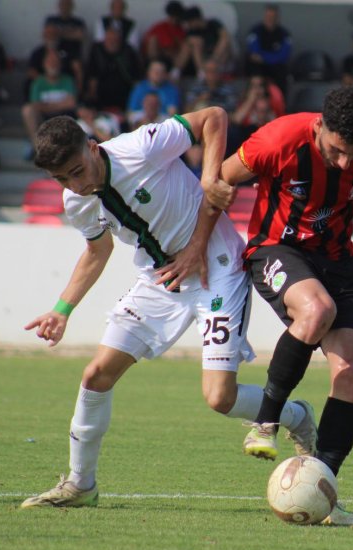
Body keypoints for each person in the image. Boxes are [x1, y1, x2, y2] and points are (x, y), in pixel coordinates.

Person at [19, 107, 317, 509]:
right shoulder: (77, 201)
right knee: (96, 375)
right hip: (161, 281)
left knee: (219, 398)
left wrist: (210, 180)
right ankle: (80, 484)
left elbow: (212, 118)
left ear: (92, 148)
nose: (75, 183)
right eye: (61, 179)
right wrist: (62, 309)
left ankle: (295, 416)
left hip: (218, 270)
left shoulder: (140, 147)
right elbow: (96, 250)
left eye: (77, 170)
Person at [189, 87, 353, 526]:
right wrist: (197, 246)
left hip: (340, 259)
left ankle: (324, 490)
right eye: (336, 151)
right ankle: (266, 421)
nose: (344, 163)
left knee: (351, 368)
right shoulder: (277, 142)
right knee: (316, 310)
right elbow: (218, 182)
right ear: (319, 126)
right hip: (275, 249)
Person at [22, 51, 77, 155]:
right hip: (43, 119)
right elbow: (35, 105)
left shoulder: (67, 80)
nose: (53, 64)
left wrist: (47, 106)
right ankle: (38, 148)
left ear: (60, 64)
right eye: (50, 62)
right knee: (27, 110)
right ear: (44, 64)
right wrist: (59, 105)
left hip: (64, 119)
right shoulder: (38, 82)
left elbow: (71, 103)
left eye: (55, 62)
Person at [81, 25, 141, 115]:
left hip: (124, 96)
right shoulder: (97, 50)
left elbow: (136, 77)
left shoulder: (128, 51)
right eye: (109, 39)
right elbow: (92, 76)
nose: (112, 42)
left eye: (115, 40)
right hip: (101, 96)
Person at [173, 6, 233, 80]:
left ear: (195, 20)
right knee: (192, 43)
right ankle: (178, 72)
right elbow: (186, 47)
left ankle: (208, 71)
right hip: (201, 60)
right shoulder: (192, 32)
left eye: (189, 22)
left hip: (219, 57)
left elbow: (225, 37)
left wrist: (214, 57)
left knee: (225, 42)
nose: (188, 25)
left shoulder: (213, 24)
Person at [245, 4, 292, 94]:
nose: (270, 19)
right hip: (259, 66)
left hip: (275, 67)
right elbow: (254, 52)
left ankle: (281, 102)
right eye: (268, 16)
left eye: (273, 17)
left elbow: (284, 55)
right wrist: (270, 57)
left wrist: (265, 58)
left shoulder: (284, 34)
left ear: (277, 18)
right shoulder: (256, 31)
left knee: (282, 72)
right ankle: (251, 97)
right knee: (252, 65)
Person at [127, 59, 179, 128]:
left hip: (161, 120)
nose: (157, 74)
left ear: (165, 74)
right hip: (142, 119)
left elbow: (172, 113)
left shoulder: (171, 89)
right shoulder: (140, 87)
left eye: (161, 71)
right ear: (148, 72)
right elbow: (130, 112)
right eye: (155, 71)